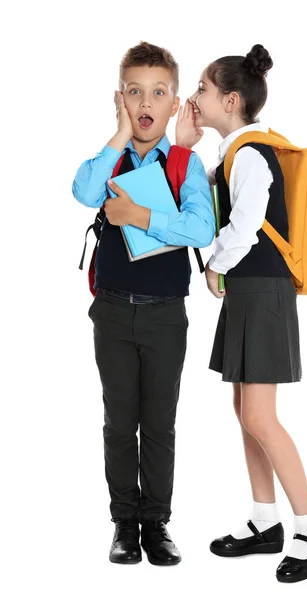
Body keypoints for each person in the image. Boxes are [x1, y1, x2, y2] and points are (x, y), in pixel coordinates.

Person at [176, 44, 307, 583]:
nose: (195, 98)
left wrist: (215, 266)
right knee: (245, 413)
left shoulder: (249, 153)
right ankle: (264, 522)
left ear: (232, 99)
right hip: (253, 292)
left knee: (261, 416)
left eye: (201, 89)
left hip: (263, 291)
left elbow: (246, 224)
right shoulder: (232, 152)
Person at [72, 41, 215, 566]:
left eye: (158, 92)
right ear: (121, 100)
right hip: (111, 311)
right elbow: (84, 192)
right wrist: (118, 133)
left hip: (164, 316)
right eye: (135, 93)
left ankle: (156, 523)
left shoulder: (183, 165)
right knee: (118, 421)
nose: (145, 101)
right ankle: (123, 523)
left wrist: (138, 216)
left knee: (159, 422)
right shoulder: (110, 159)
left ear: (174, 103)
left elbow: (201, 227)